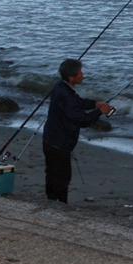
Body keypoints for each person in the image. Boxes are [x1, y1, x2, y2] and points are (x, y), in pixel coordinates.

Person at [42, 59, 112, 203]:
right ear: (72, 76)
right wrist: (99, 111)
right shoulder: (67, 95)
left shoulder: (60, 86)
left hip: (50, 138)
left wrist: (94, 104)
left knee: (52, 172)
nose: (82, 73)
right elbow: (83, 120)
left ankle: (51, 199)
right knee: (62, 176)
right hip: (59, 143)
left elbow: (77, 102)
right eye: (80, 71)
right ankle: (60, 204)